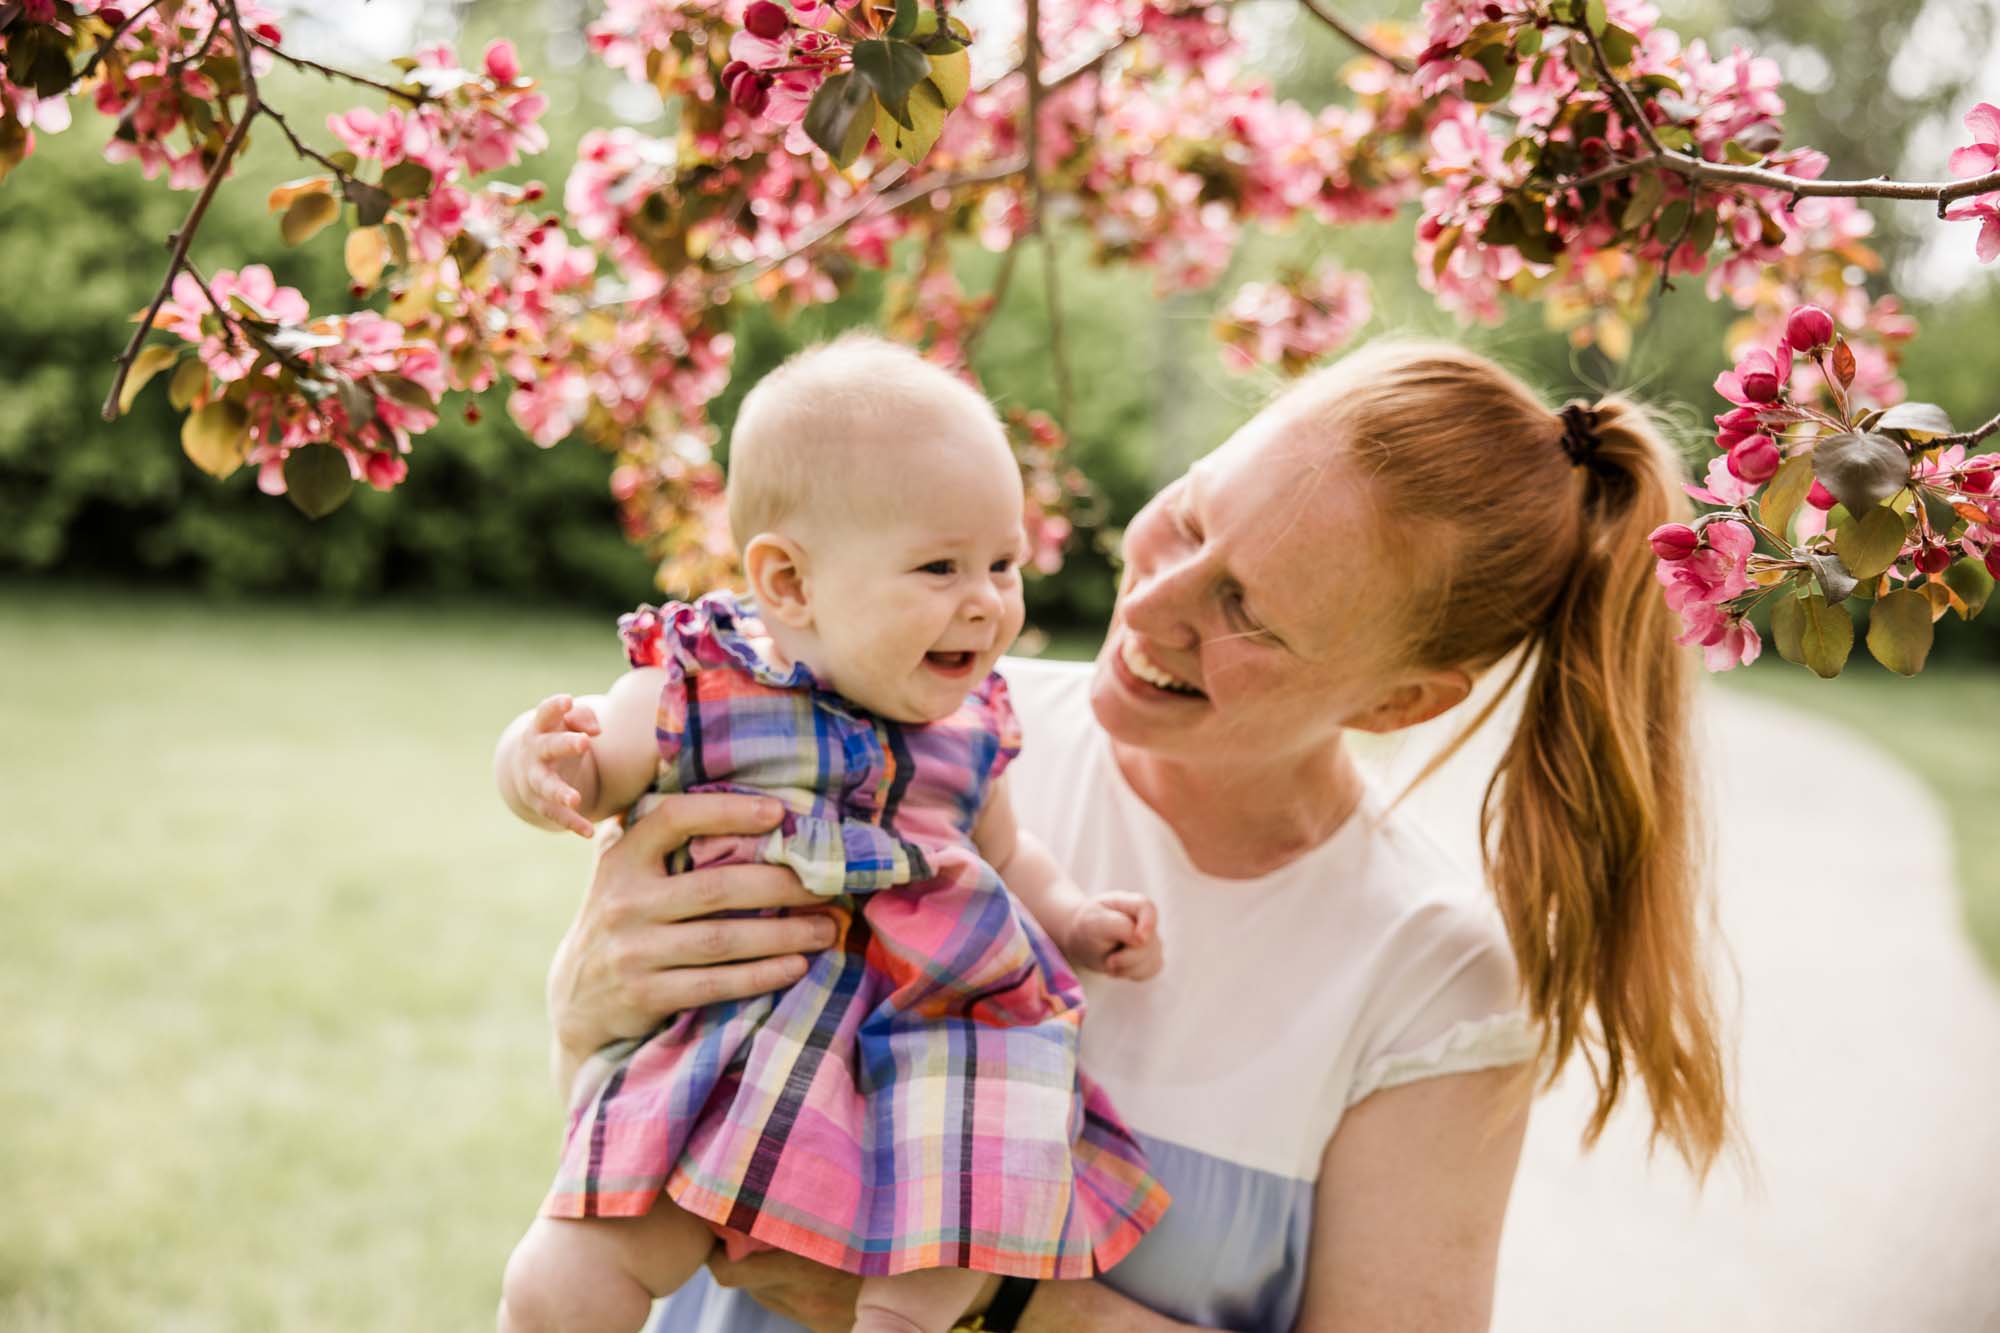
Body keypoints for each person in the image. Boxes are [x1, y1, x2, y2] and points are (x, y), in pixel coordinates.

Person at [542, 338, 1731, 1333]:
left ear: (1397, 702)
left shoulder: (1425, 976)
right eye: (1189, 519)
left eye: (1245, 611)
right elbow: (620, 1128)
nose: (1151, 604)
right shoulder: (900, 736)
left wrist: (989, 1298)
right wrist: (582, 1005)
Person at [491, 336, 1171, 1333]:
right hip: (739, 1058)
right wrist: (534, 759)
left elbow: (1008, 854)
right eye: (939, 566)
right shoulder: (703, 689)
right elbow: (592, 761)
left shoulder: (973, 725)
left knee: (950, 1235)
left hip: (935, 1056)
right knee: (566, 1275)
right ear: (790, 583)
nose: (985, 598)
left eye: (1002, 562)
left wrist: (1071, 918)